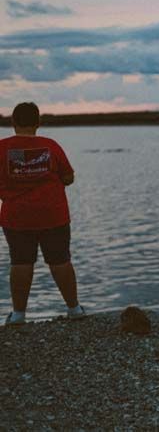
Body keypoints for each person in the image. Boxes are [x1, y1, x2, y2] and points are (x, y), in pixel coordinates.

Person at [0, 102, 85, 325]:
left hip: (17, 216)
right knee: (60, 260)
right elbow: (68, 177)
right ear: (38, 122)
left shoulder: (2, 148)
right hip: (53, 214)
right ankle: (74, 309)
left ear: (13, 122)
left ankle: (18, 315)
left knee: (20, 262)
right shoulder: (51, 146)